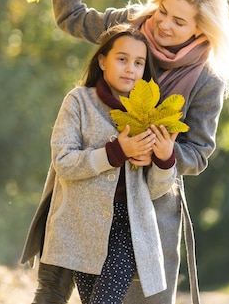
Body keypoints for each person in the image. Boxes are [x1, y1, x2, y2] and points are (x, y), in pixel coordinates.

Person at [21, 0, 229, 304]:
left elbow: (199, 153)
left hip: (151, 202)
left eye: (178, 22)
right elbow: (71, 17)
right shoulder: (130, 25)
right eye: (162, 11)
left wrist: (166, 152)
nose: (162, 25)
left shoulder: (206, 79)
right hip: (87, 188)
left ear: (200, 30)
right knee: (55, 288)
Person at [26, 23, 179, 304]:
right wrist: (116, 151)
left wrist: (165, 158)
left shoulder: (150, 114)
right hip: (81, 227)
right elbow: (63, 162)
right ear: (102, 60)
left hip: (127, 230)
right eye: (122, 59)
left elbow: (156, 190)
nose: (130, 69)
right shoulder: (78, 102)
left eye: (139, 63)